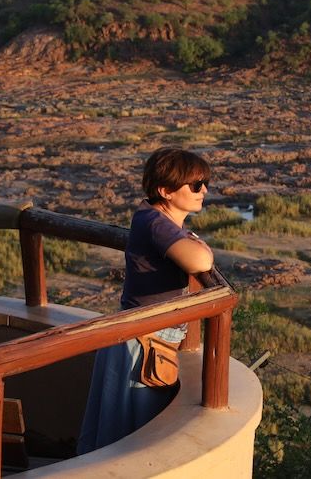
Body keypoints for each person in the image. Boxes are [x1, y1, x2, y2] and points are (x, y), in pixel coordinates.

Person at [77, 147, 214, 454]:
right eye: (196, 185)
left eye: (204, 183)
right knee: (133, 437)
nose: (204, 190)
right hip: (143, 344)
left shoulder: (152, 217)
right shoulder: (156, 223)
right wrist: (201, 246)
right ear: (166, 191)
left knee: (121, 431)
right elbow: (200, 261)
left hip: (141, 336)